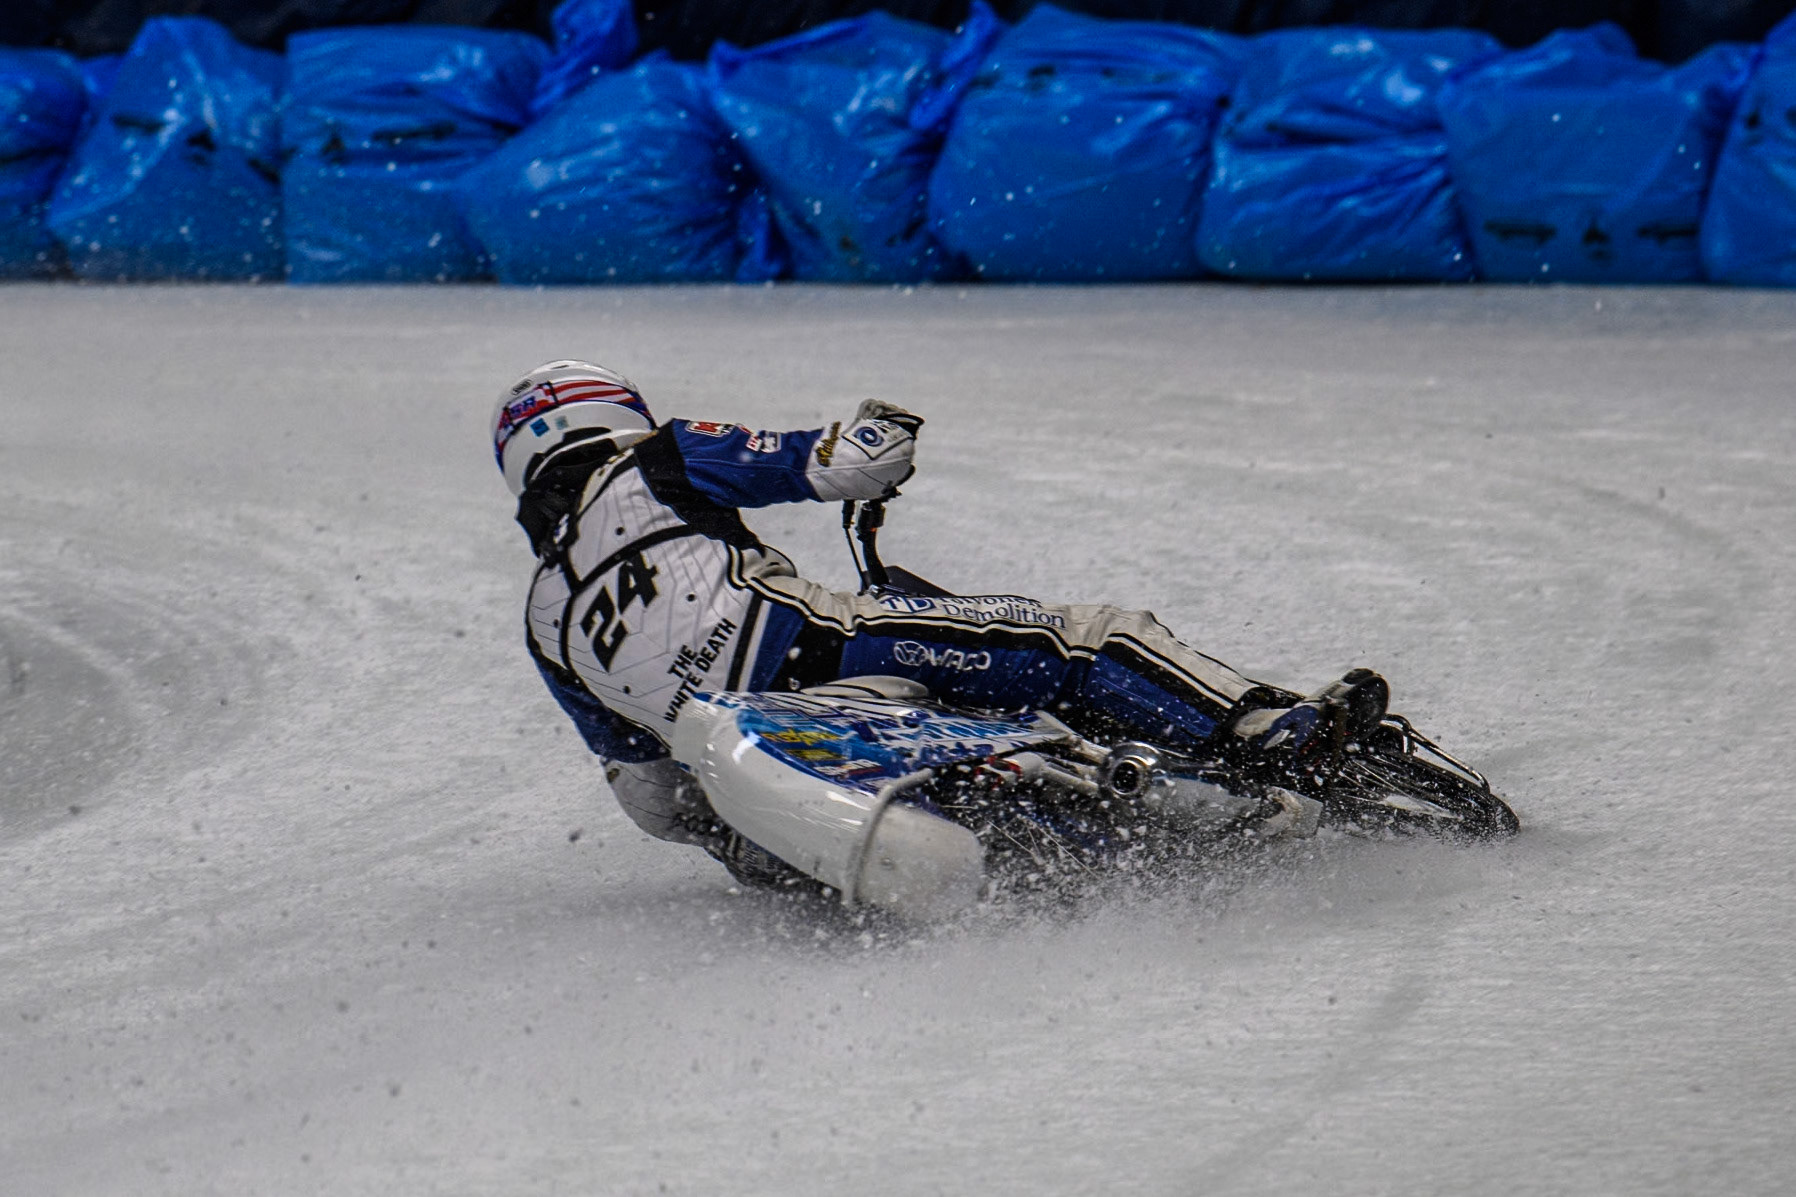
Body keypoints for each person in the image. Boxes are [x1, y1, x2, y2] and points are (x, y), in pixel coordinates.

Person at [496, 360, 1387, 872]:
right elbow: (850, 465)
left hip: (772, 777)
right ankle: (1259, 731)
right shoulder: (657, 460)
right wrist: (882, 427)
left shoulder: (543, 621)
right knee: (1087, 641)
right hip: (826, 655)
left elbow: (652, 800)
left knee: (748, 845)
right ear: (607, 414)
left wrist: (733, 836)